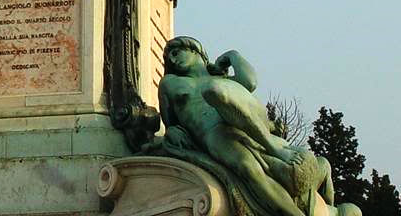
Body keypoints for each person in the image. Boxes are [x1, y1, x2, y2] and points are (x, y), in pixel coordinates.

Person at [152, 37, 361, 216]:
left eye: (177, 52)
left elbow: (250, 82)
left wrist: (232, 56)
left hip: (245, 125)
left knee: (217, 90)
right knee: (248, 168)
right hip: (214, 133)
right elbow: (169, 120)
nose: (172, 58)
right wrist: (172, 131)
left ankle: (278, 153)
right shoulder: (170, 82)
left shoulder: (219, 79)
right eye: (169, 56)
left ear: (197, 51)